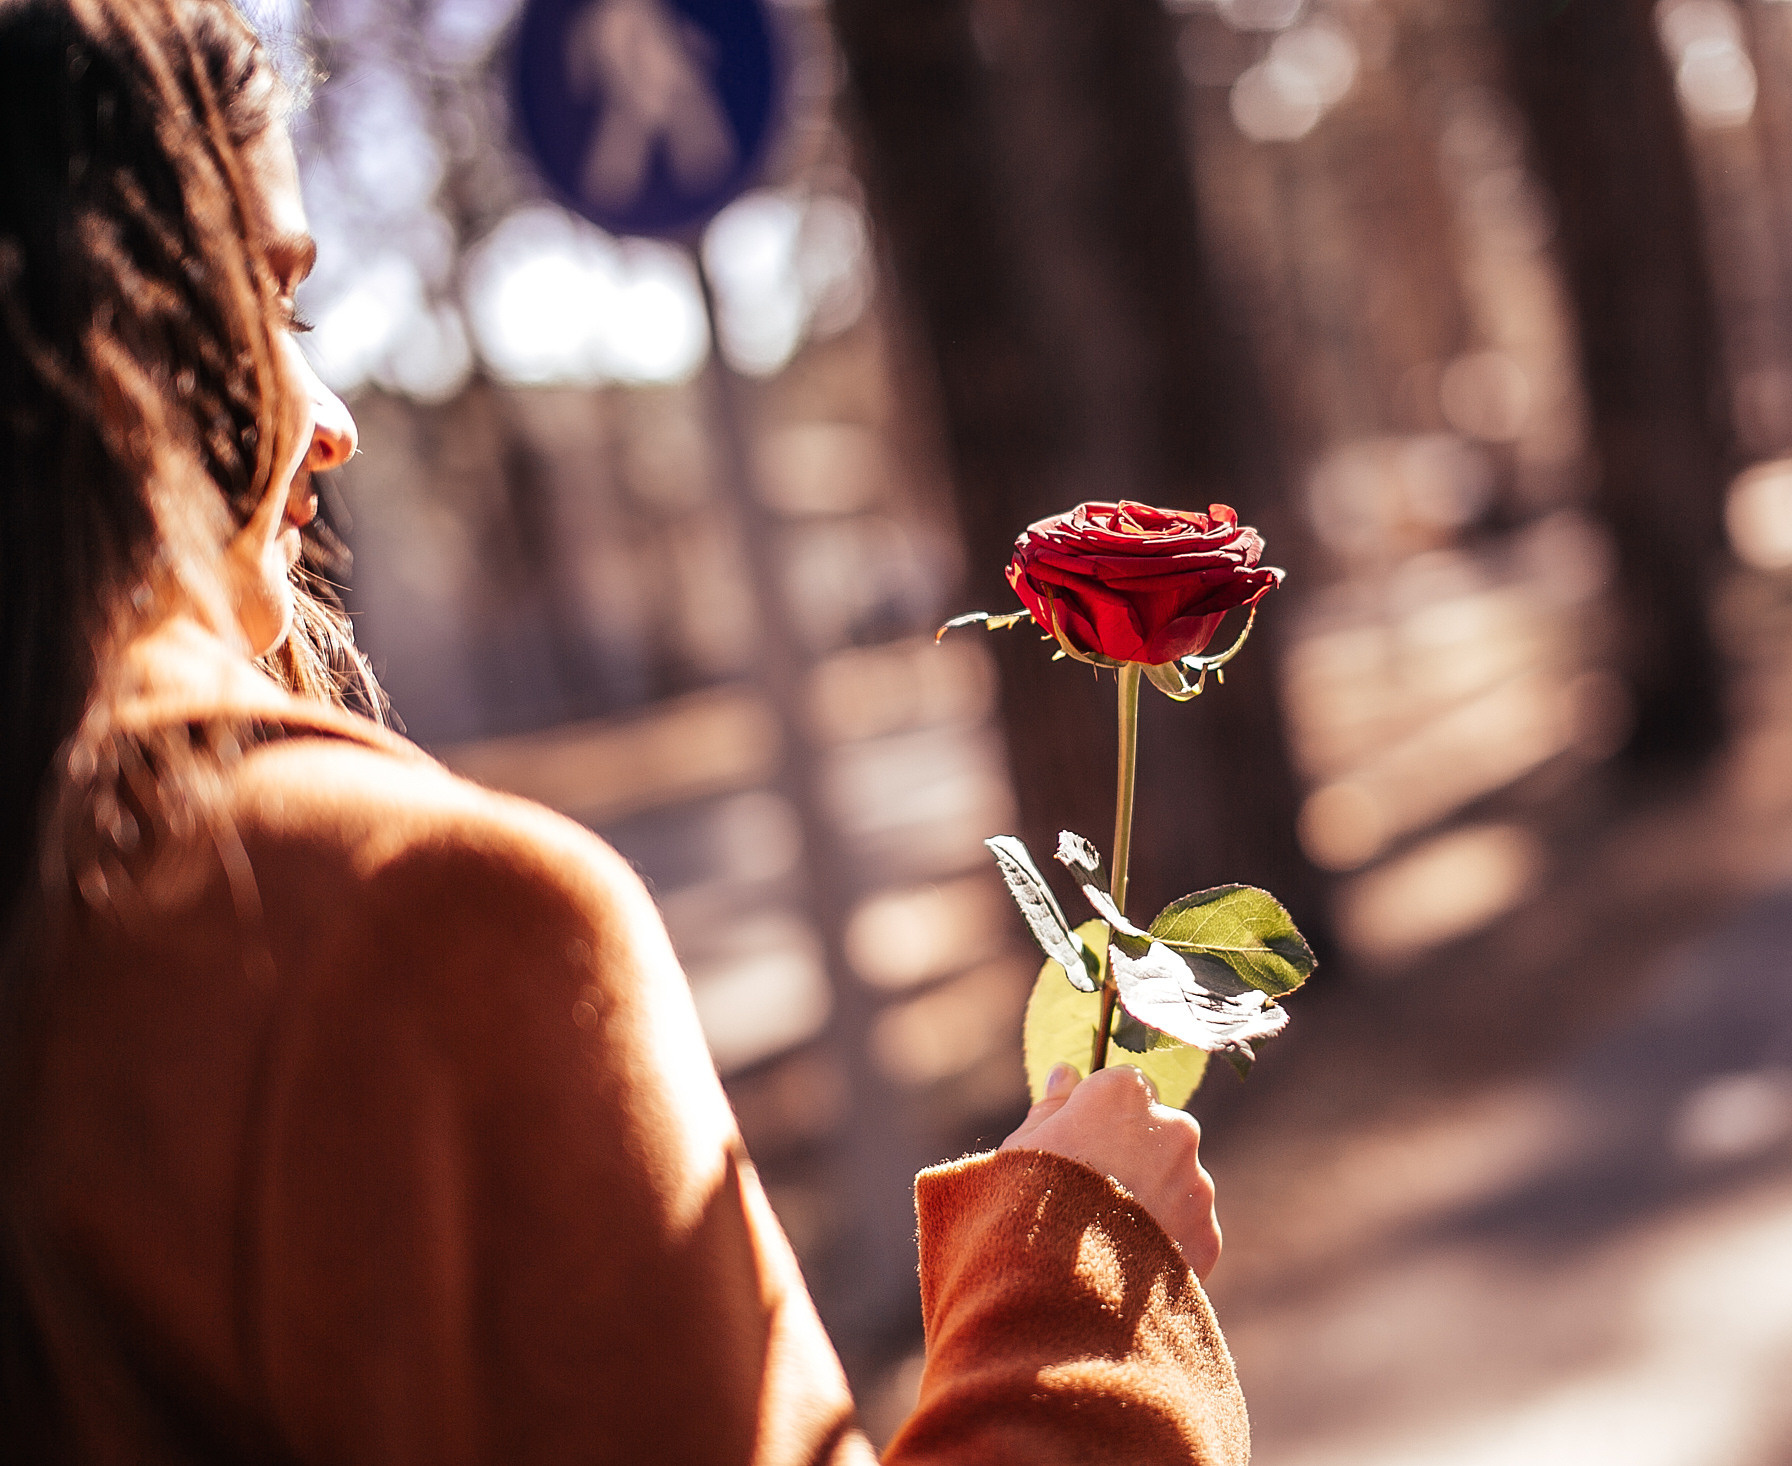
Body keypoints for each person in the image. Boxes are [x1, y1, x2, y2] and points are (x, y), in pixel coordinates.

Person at [0, 0, 1250, 1459]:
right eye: (268, 305)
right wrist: (1086, 1285)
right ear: (104, 353)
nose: (329, 420)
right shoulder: (416, 927)